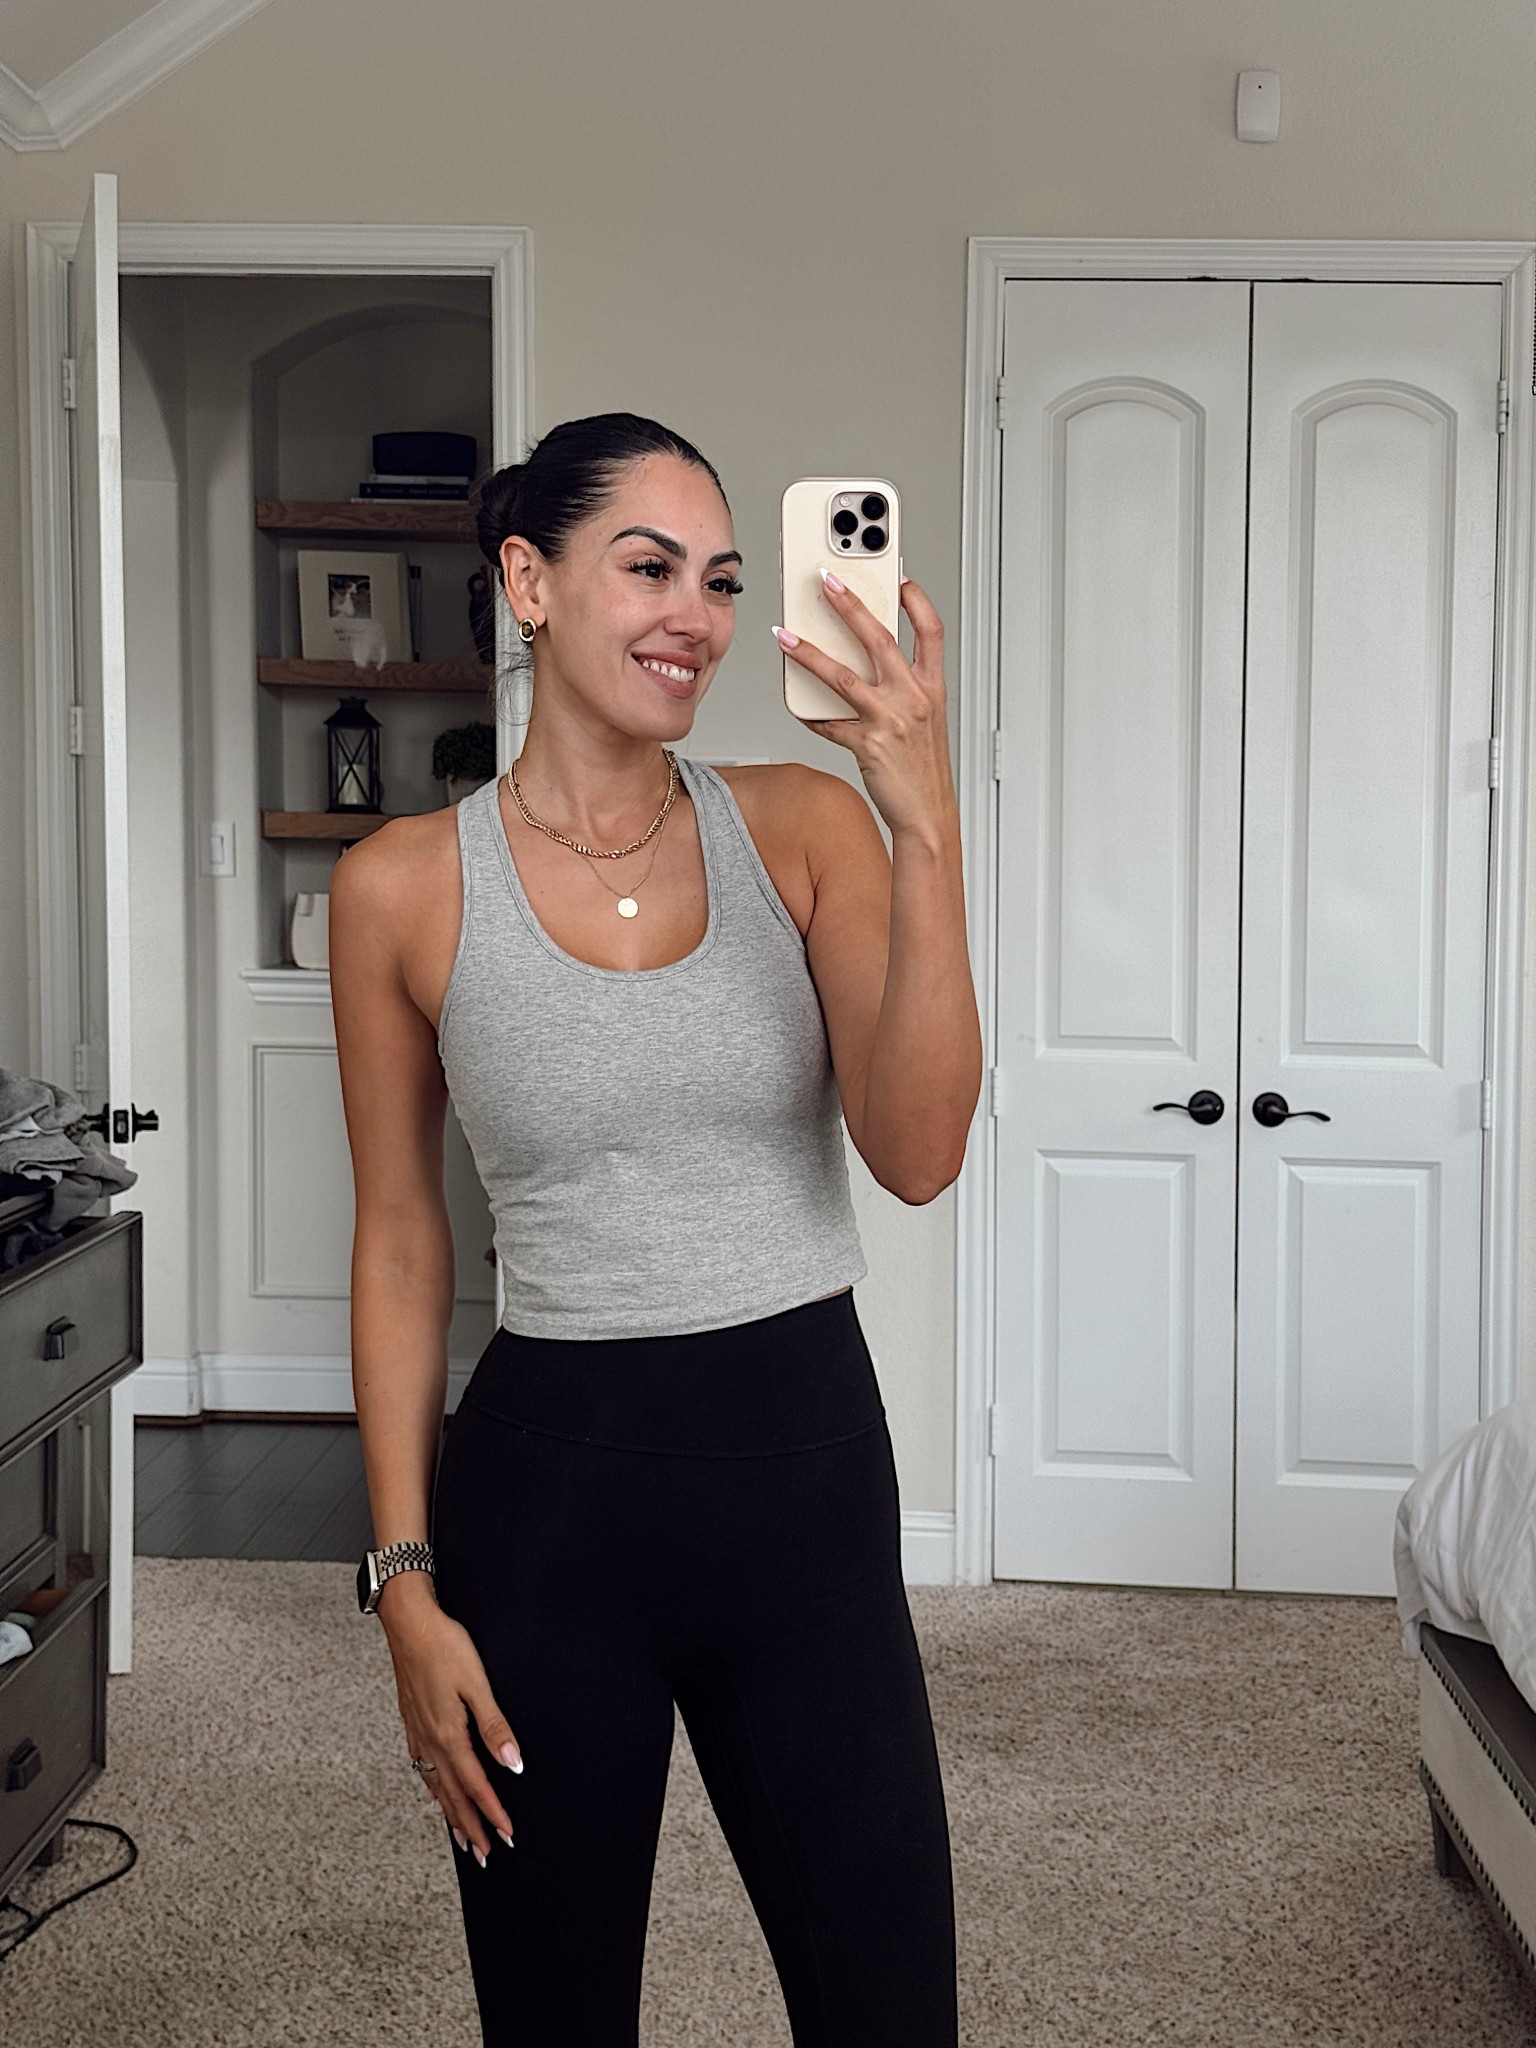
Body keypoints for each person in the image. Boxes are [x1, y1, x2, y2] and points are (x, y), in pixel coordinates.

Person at [329, 412, 981, 2045]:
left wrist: (926, 824)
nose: (697, 615)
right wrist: (403, 1581)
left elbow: (920, 1154)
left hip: (806, 1487)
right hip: (550, 1512)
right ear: (529, 581)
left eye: (724, 580)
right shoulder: (401, 887)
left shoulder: (805, 828)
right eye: (650, 568)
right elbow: (401, 1242)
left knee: (890, 2009)